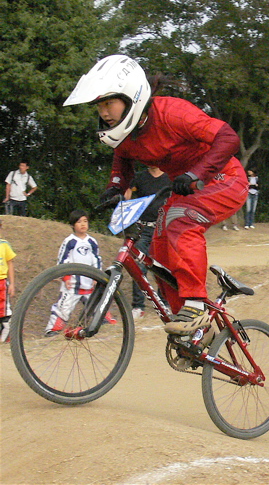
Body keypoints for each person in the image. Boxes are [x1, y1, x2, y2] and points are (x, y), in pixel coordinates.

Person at [64, 54, 248, 336]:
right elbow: (122, 160)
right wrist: (115, 186)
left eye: (108, 103)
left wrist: (196, 173)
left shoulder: (173, 113)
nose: (103, 112)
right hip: (187, 190)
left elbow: (229, 138)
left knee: (180, 221)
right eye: (99, 105)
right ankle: (192, 329)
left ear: (130, 97)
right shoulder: (126, 135)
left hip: (225, 180)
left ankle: (196, 303)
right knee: (159, 248)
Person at [45, 210, 111, 336]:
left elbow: (97, 259)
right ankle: (53, 329)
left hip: (89, 283)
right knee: (64, 307)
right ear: (73, 225)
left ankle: (104, 321)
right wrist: (66, 277)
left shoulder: (92, 242)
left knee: (97, 303)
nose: (83, 224)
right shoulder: (69, 241)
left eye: (85, 221)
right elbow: (63, 260)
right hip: (72, 284)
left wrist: (97, 276)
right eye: (79, 222)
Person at [124, 165, 172, 318]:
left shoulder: (170, 177)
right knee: (138, 267)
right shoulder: (139, 177)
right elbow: (127, 196)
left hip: (163, 229)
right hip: (142, 229)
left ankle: (164, 303)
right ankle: (138, 306)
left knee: (163, 268)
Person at [0, 218, 16, 343]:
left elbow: (10, 263)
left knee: (4, 309)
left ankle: (7, 334)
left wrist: (12, 284)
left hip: (2, 282)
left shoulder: (4, 244)